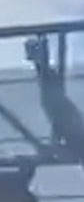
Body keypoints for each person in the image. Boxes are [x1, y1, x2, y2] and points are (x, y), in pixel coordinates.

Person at [25, 34, 84, 162]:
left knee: (47, 83)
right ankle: (41, 48)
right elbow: (60, 127)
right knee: (48, 84)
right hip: (66, 118)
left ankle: (41, 49)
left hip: (65, 117)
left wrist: (53, 148)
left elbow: (59, 129)